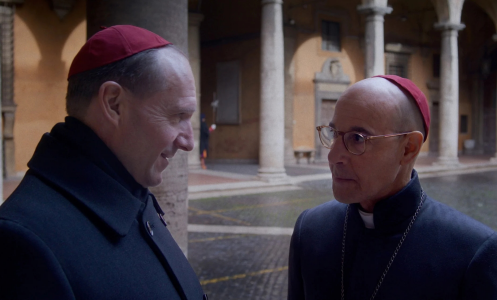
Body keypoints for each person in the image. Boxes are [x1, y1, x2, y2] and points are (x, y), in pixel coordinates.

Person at [0, 25, 207, 300]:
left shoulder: (130, 189)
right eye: (177, 115)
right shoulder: (21, 243)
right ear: (114, 104)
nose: (189, 142)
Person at [288, 75, 497, 300]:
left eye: (358, 138)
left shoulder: (473, 252)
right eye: (333, 133)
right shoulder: (309, 229)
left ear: (408, 148)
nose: (333, 156)